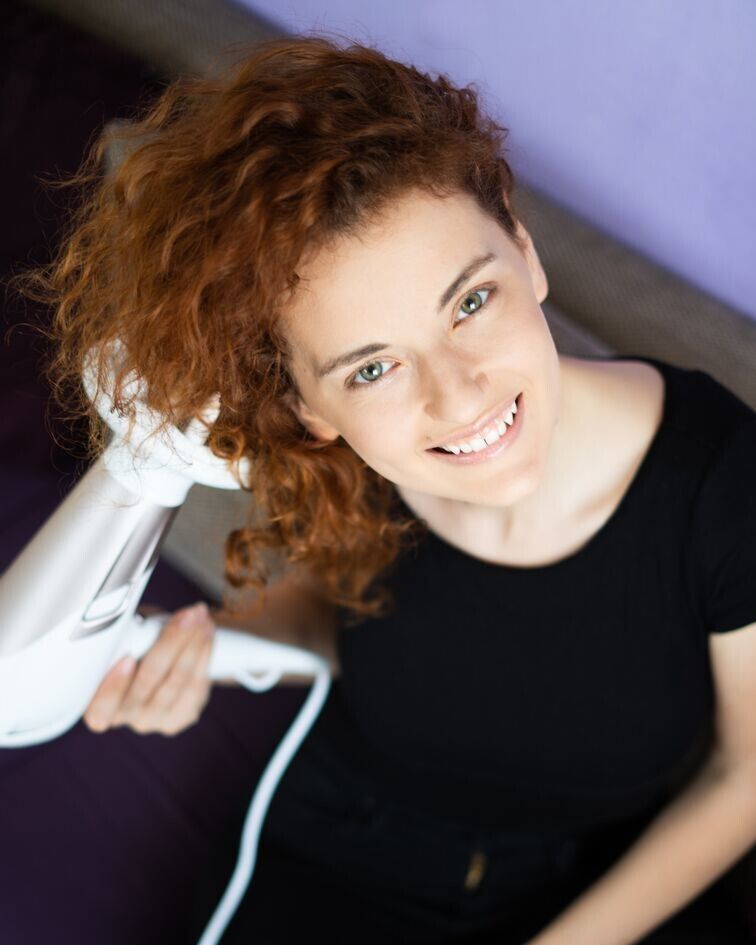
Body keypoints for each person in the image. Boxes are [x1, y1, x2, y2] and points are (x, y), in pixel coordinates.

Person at [18, 34, 756, 945]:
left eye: (471, 302)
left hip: (579, 884)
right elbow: (338, 615)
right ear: (307, 406)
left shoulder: (725, 482)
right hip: (335, 855)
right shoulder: (357, 470)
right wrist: (199, 656)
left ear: (524, 253)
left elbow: (747, 778)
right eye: (372, 369)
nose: (457, 396)